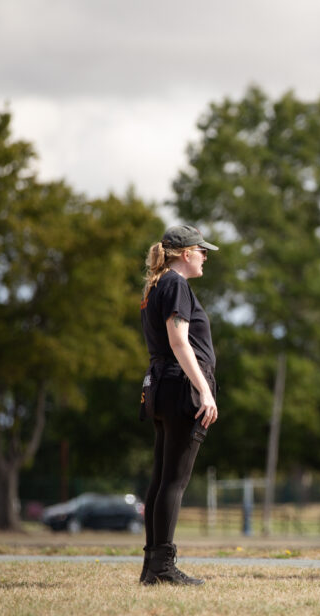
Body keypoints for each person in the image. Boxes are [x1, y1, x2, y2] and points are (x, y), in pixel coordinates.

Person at [138, 224, 219, 585]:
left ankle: (153, 565)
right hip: (180, 385)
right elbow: (179, 341)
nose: (205, 257)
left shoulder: (158, 284)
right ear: (185, 254)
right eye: (202, 251)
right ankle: (162, 567)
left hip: (162, 385)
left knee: (161, 478)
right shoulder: (175, 284)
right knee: (174, 480)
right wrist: (204, 390)